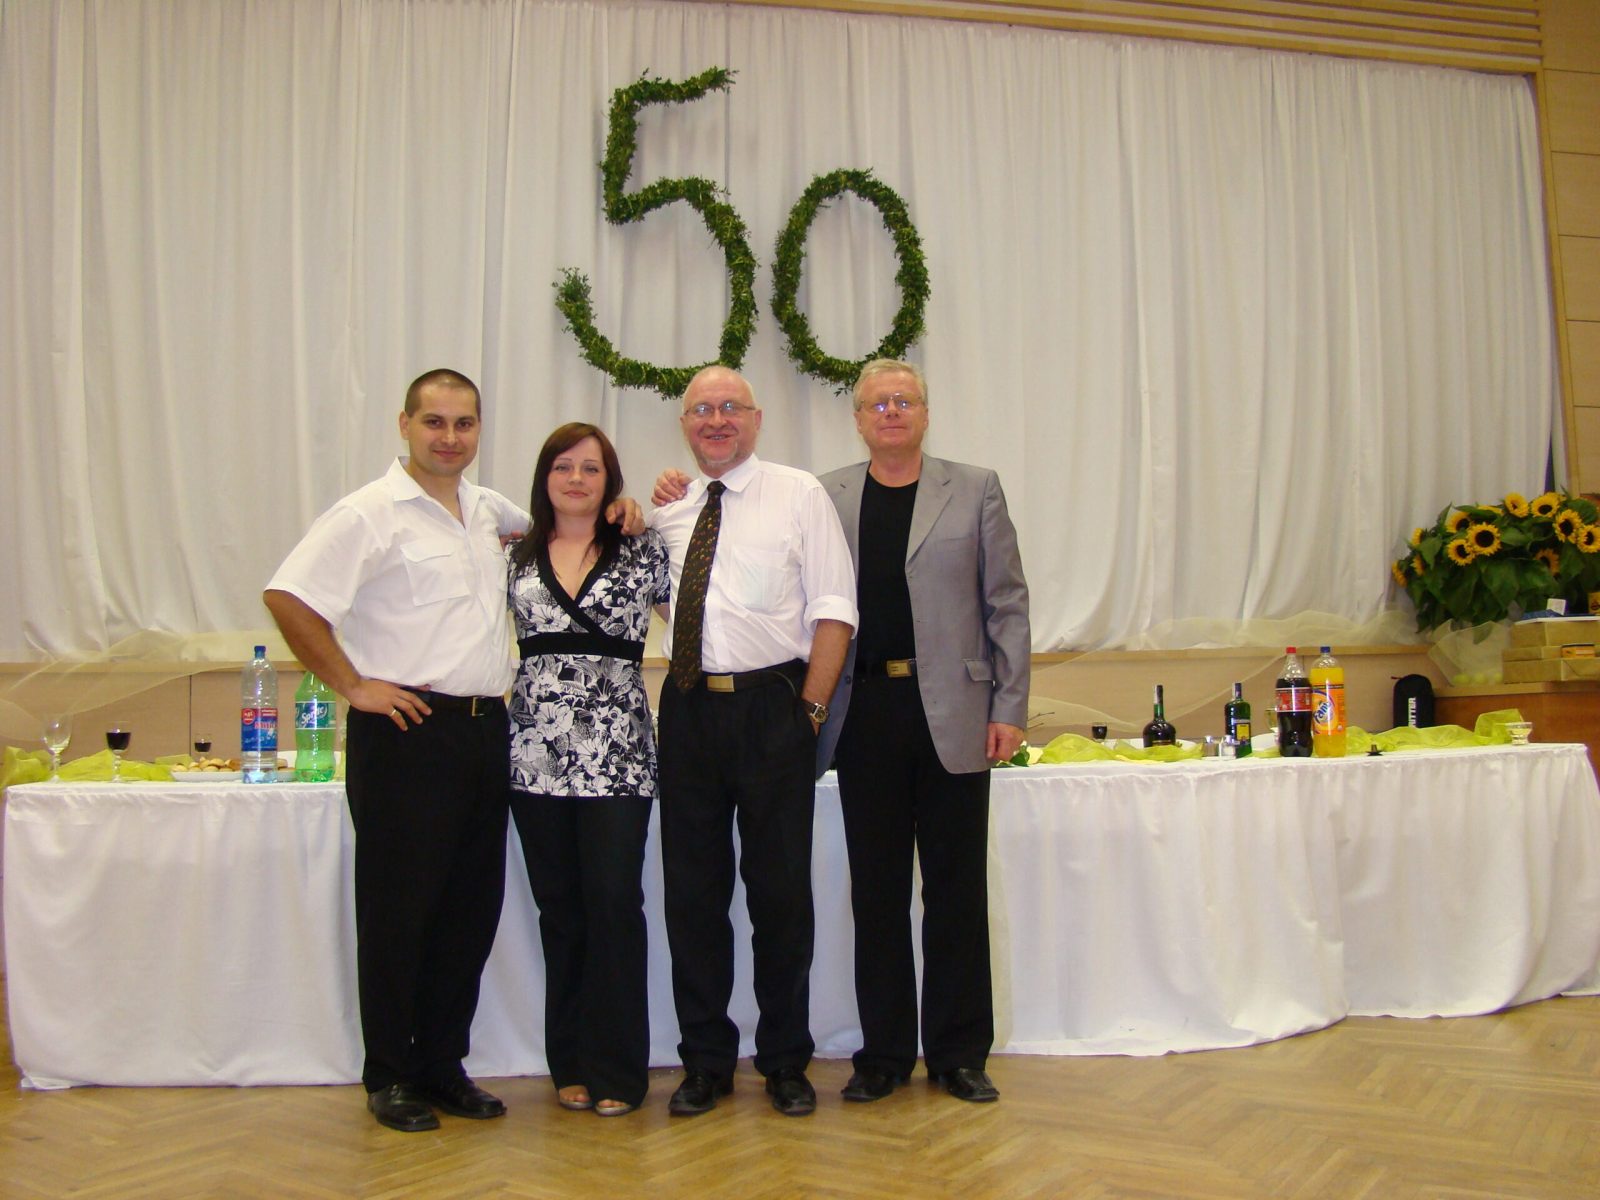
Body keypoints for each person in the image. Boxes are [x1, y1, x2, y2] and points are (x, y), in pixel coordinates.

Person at [265, 369, 639, 1133]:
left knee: (468, 912)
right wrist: (353, 685)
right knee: (399, 912)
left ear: (478, 431)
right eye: (434, 422)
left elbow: (568, 516)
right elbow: (289, 597)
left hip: (485, 732)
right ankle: (390, 1075)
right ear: (404, 424)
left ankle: (442, 1065)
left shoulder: (487, 511)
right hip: (405, 732)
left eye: (464, 423)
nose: (449, 437)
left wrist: (623, 508)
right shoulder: (369, 513)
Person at [648, 365, 857, 1118]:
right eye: (702, 409)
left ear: (756, 419)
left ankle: (785, 1061)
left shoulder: (799, 495)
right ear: (685, 424)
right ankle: (704, 1062)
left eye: (730, 407)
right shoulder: (669, 510)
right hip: (688, 710)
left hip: (776, 709)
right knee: (693, 899)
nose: (716, 420)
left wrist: (809, 713)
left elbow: (835, 609)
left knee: (780, 898)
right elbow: (666, 601)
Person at [820, 359, 1030, 1104]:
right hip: (864, 715)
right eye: (877, 403)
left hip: (957, 714)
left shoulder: (975, 489)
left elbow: (1007, 603)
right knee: (876, 893)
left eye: (903, 400)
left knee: (955, 890)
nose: (891, 412)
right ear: (858, 419)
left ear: (925, 413)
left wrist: (1009, 707)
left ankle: (959, 1052)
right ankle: (882, 1055)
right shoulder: (827, 497)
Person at [506, 422, 670, 1118]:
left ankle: (618, 1068)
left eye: (591, 468)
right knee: (561, 911)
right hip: (534, 753)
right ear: (544, 477)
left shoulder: (643, 549)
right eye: (563, 466)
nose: (576, 479)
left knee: (613, 903)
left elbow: (700, 619)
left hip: (618, 753)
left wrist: (650, 510)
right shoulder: (511, 552)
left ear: (611, 482)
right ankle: (569, 1060)